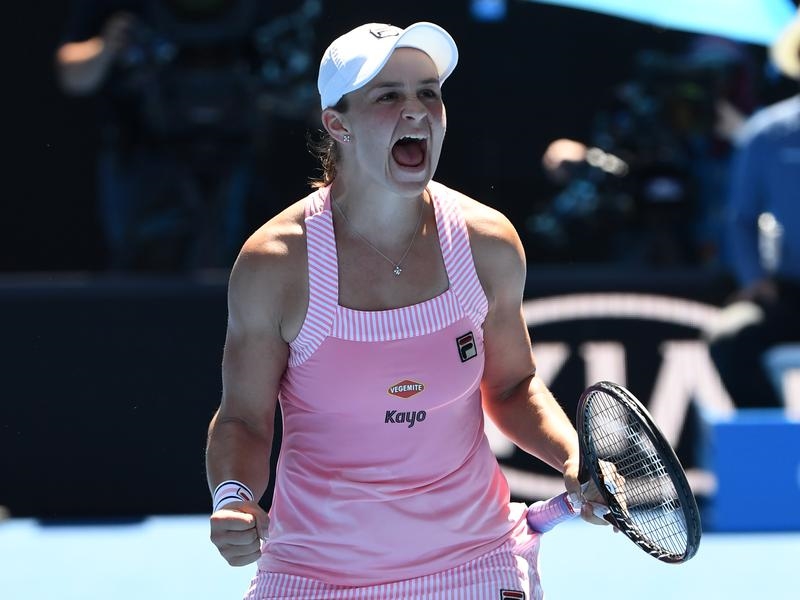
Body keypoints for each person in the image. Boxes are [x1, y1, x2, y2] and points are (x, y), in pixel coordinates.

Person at [205, 21, 607, 599]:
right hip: (313, 575)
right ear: (337, 124)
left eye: (428, 92)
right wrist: (234, 497)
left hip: (477, 563)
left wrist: (572, 457)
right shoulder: (276, 264)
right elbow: (244, 418)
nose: (416, 109)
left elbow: (512, 385)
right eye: (388, 95)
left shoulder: (488, 243)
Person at [55, 0, 317, 271]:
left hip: (243, 160)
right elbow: (73, 76)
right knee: (147, 272)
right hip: (145, 162)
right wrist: (105, 47)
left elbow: (312, 96)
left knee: (257, 267)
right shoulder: (119, 12)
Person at [705, 9, 800, 408]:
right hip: (790, 293)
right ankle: (776, 438)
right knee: (730, 337)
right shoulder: (766, 133)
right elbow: (741, 219)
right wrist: (755, 279)